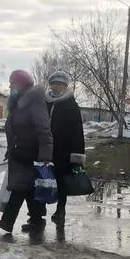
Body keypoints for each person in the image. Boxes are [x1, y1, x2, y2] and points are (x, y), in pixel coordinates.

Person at [0, 69, 53, 234]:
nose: (10, 86)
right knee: (29, 189)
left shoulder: (34, 103)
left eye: (13, 82)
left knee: (20, 188)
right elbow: (13, 129)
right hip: (20, 152)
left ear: (22, 84)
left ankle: (8, 221)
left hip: (31, 153)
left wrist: (46, 155)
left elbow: (44, 129)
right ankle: (36, 221)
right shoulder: (18, 102)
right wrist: (10, 149)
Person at [44, 71, 85, 226]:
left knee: (62, 181)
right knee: (40, 180)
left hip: (64, 150)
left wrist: (77, 156)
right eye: (54, 83)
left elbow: (77, 132)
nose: (57, 87)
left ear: (65, 86)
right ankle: (37, 214)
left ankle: (60, 210)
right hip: (45, 148)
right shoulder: (45, 102)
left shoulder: (71, 105)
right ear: (50, 85)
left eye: (60, 84)